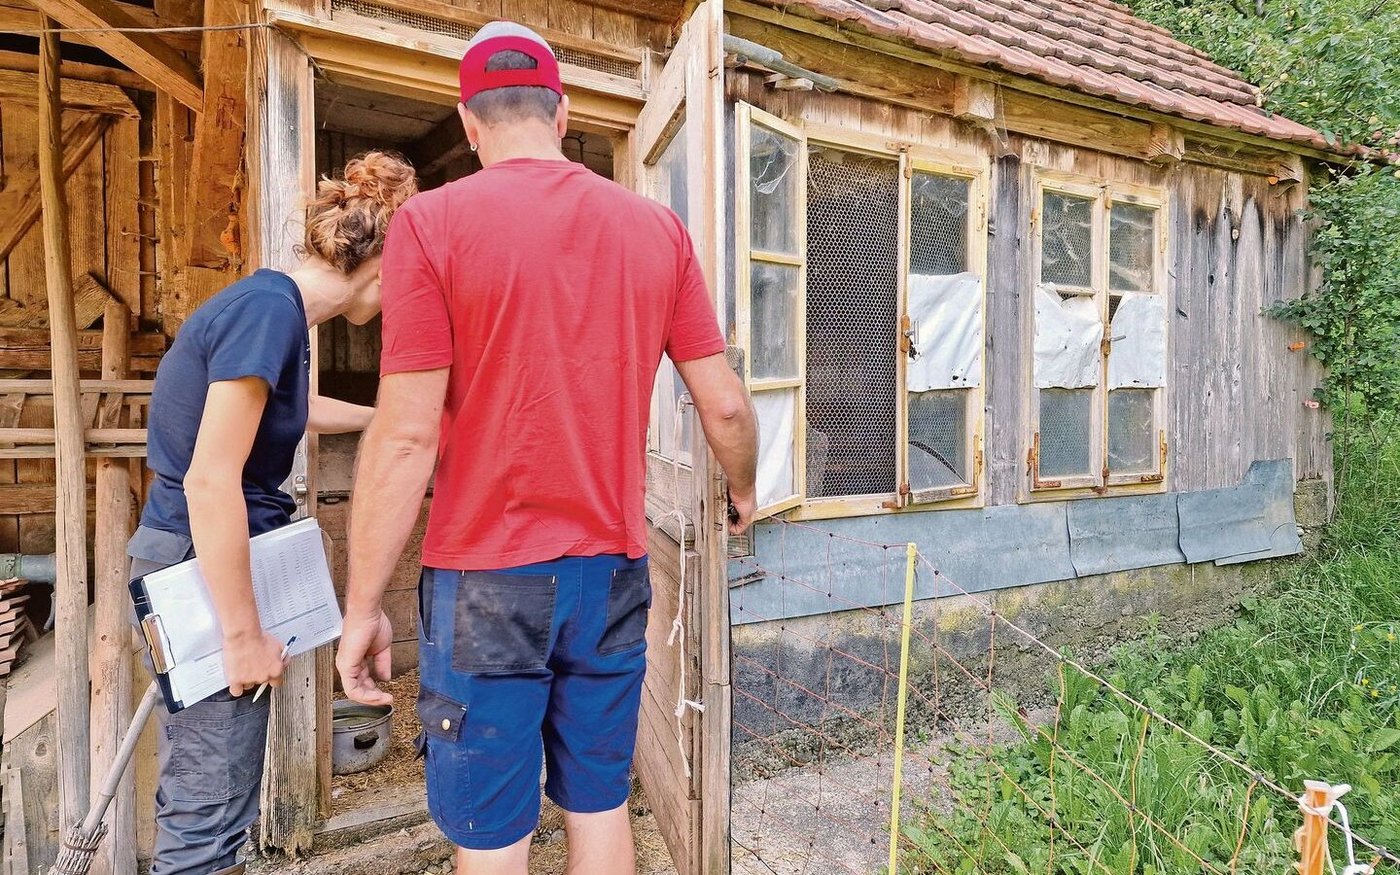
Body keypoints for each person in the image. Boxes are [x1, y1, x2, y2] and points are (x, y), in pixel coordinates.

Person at [333, 21, 759, 875]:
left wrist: (362, 607)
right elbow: (725, 405)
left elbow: (407, 434)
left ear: (469, 123)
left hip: (484, 582)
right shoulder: (658, 230)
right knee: (600, 803)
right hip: (610, 571)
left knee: (493, 835)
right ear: (561, 115)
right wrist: (743, 488)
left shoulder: (429, 225)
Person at [127, 151, 417, 875]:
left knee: (214, 790)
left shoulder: (278, 312)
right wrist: (241, 635)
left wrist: (386, 418)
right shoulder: (266, 312)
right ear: (382, 263)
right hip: (200, 563)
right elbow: (210, 480)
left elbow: (294, 409)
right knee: (209, 812)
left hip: (204, 556)